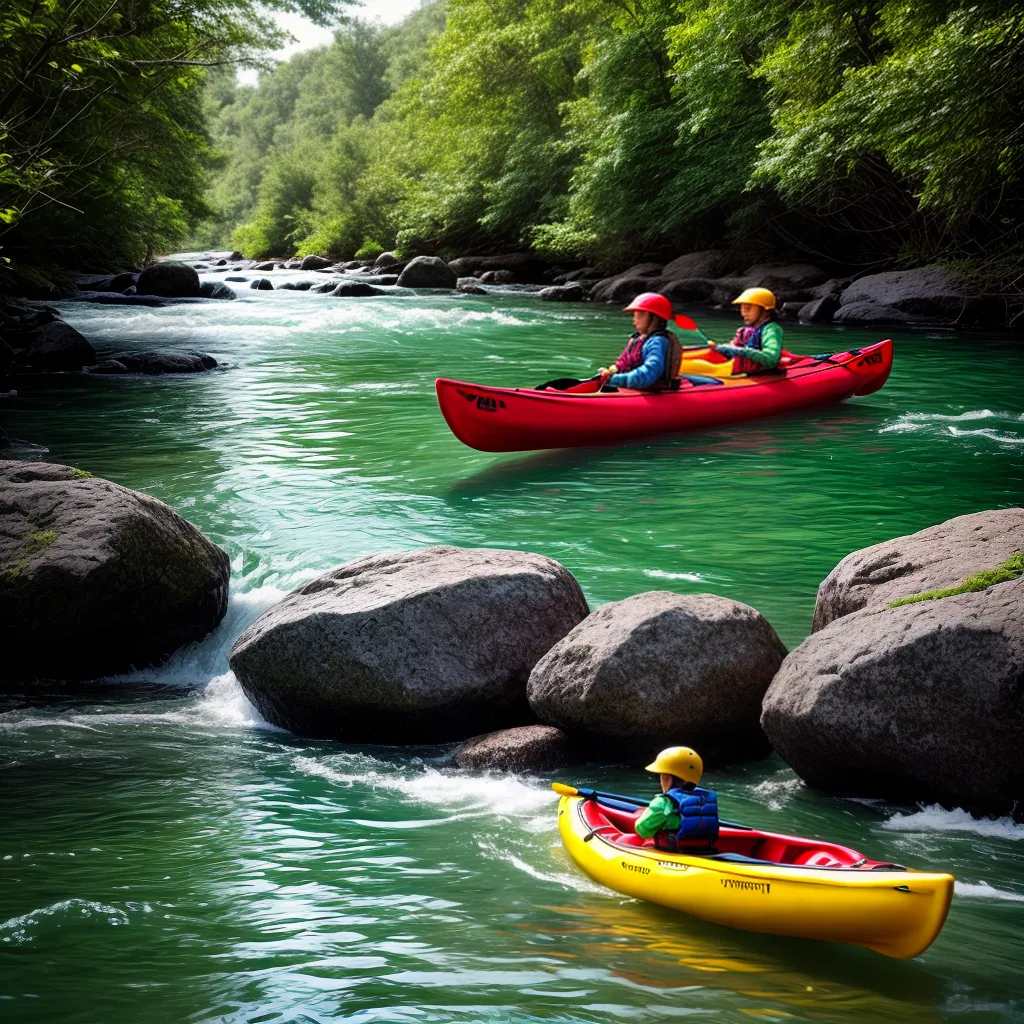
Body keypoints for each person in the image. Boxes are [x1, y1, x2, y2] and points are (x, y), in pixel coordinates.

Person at [683, 287, 783, 378]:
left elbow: (770, 360)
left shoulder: (771, 330)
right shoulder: (746, 330)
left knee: (696, 366)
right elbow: (733, 346)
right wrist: (720, 348)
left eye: (748, 308)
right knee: (701, 356)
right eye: (742, 308)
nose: (743, 313)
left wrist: (738, 350)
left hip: (754, 372)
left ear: (765, 311)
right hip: (736, 366)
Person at [634, 746, 719, 852]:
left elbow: (643, 830)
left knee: (628, 839)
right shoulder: (704, 799)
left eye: (662, 775)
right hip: (703, 852)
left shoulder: (663, 802)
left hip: (673, 854)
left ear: (668, 778)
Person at [598, 292, 684, 391]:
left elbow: (650, 372)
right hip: (635, 385)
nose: (634, 320)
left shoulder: (657, 341)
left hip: (653, 389)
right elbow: (624, 361)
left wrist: (615, 380)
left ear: (654, 318)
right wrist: (612, 371)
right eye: (634, 315)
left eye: (640, 315)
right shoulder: (638, 339)